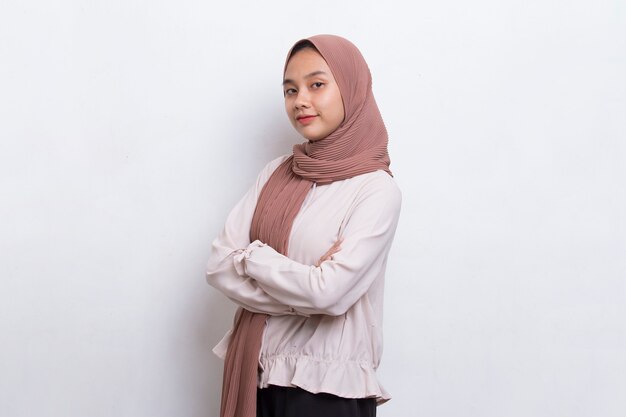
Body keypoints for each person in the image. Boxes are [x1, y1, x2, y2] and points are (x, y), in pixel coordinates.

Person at [205, 34, 402, 417]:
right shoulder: (277, 173)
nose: (301, 101)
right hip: (257, 375)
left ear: (351, 89)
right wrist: (306, 288)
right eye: (290, 90)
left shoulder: (376, 189)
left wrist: (253, 258)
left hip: (326, 395)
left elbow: (330, 294)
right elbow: (218, 266)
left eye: (317, 85)